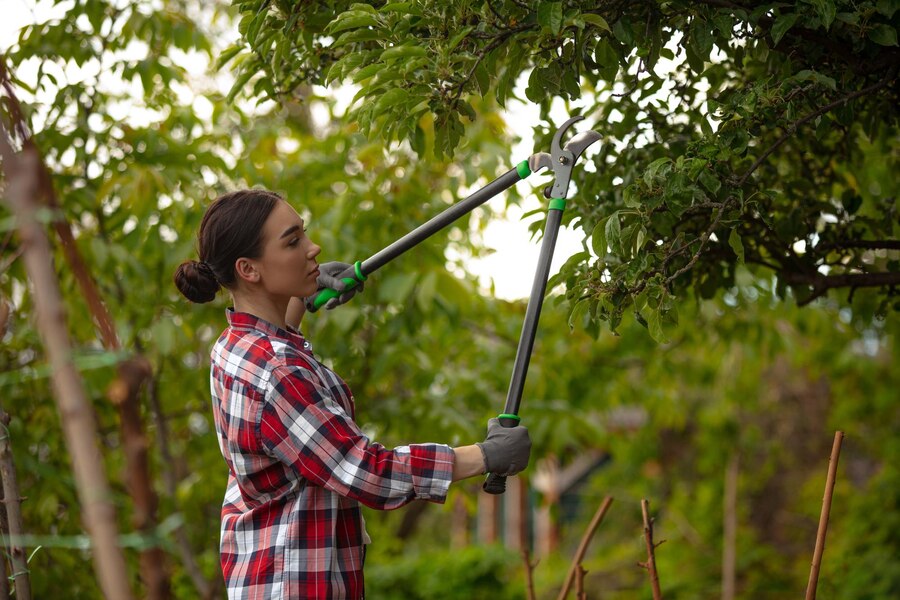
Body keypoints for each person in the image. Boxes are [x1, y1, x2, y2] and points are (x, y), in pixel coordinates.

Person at [173, 189, 532, 599]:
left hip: (263, 572)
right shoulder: (277, 373)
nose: (313, 249)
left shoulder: (234, 347)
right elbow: (366, 472)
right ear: (249, 269)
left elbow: (278, 352)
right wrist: (485, 456)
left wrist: (303, 297)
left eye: (304, 234)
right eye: (293, 242)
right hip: (295, 584)